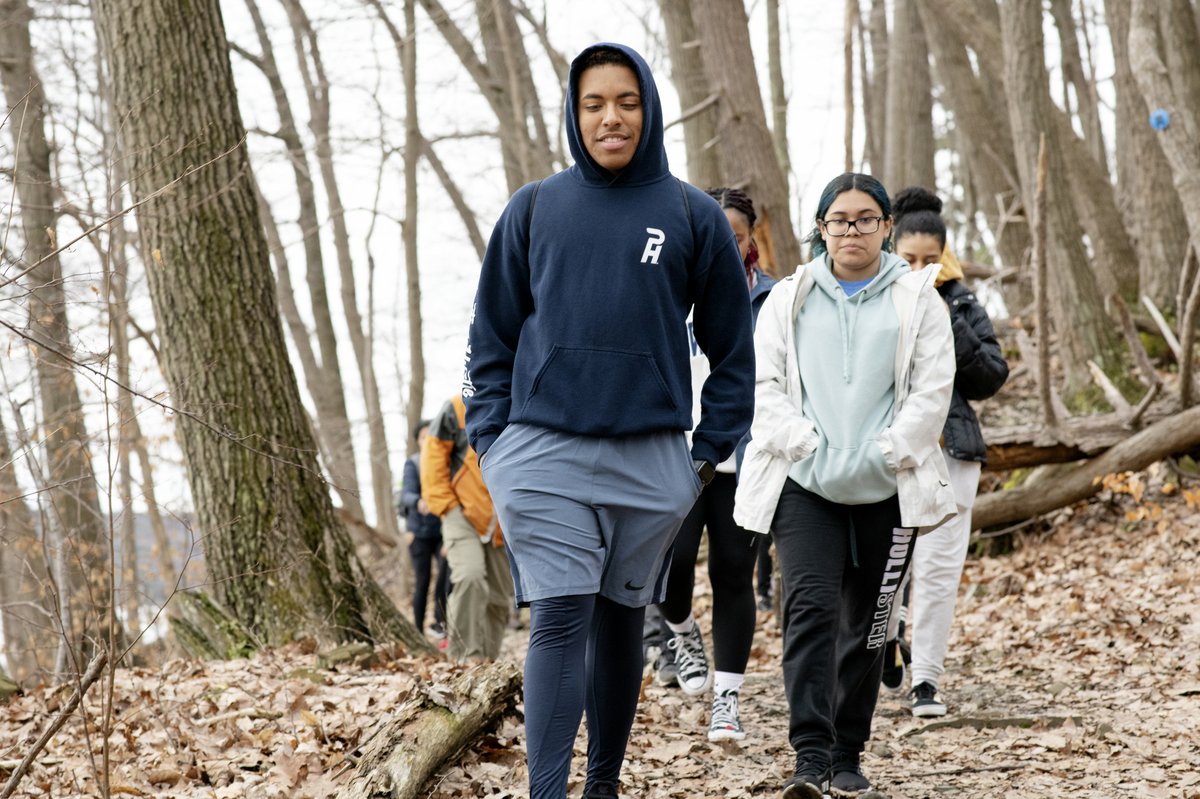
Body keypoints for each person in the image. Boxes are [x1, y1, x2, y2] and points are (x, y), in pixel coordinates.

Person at [464, 43, 755, 799]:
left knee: (624, 615)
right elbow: (489, 337)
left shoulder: (692, 215)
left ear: (648, 107)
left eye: (625, 100)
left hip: (653, 457)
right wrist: (494, 442)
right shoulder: (533, 207)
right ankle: (549, 792)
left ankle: (604, 784)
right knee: (560, 614)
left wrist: (704, 452)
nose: (610, 116)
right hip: (542, 451)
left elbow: (735, 350)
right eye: (594, 103)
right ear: (574, 111)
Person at [734, 172, 956, 799]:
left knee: (871, 621)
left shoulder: (918, 299)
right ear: (821, 228)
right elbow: (764, 386)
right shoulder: (790, 297)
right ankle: (808, 755)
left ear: (887, 226)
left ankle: (846, 750)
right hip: (805, 483)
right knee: (809, 611)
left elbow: (932, 392)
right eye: (839, 219)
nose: (851, 230)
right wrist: (807, 446)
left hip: (889, 486)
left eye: (865, 218)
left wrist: (886, 453)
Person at [652, 187, 776, 744]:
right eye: (716, 232)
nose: (728, 243)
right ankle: (680, 631)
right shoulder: (668, 289)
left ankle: (728, 701)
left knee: (733, 574)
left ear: (753, 239)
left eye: (738, 234)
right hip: (676, 454)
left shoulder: (773, 298)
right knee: (670, 564)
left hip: (744, 457)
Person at [880, 186, 1009, 718]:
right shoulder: (870, 298)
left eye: (930, 260)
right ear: (890, 248)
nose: (918, 268)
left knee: (938, 568)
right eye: (908, 259)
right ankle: (884, 641)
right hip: (889, 454)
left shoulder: (959, 300)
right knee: (888, 564)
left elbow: (990, 377)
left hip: (951, 452)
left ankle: (926, 680)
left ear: (945, 256)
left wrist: (944, 315)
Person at [421, 394, 512, 661]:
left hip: (503, 515)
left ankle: (488, 663)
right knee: (470, 577)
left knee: (498, 596)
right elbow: (432, 458)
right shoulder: (456, 408)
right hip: (459, 509)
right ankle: (463, 658)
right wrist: (446, 506)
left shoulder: (522, 400)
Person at [401, 420, 449, 640]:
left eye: (431, 435)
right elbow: (406, 494)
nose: (427, 440)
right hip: (419, 532)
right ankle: (418, 631)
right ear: (417, 441)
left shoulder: (445, 462)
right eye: (423, 437)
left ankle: (439, 622)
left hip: (442, 531)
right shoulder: (413, 464)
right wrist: (419, 501)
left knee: (447, 572)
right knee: (423, 580)